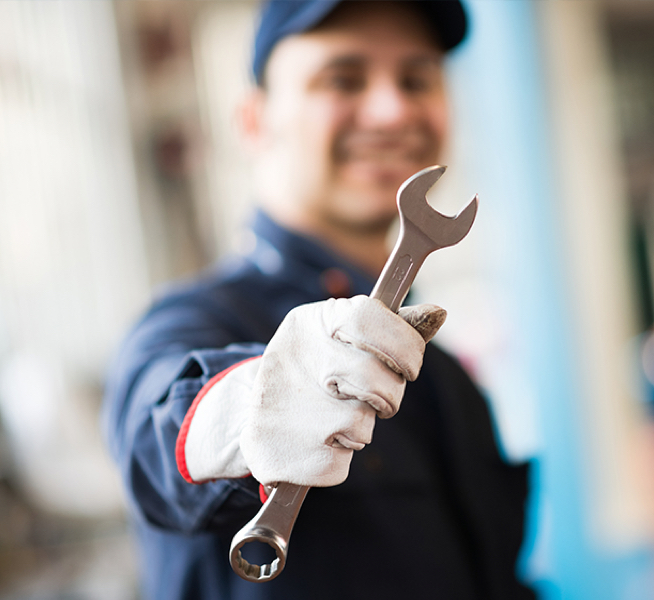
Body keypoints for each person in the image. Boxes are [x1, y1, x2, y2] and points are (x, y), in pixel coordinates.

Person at [102, 1, 533, 598]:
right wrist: (245, 410)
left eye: (416, 78)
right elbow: (156, 428)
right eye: (342, 78)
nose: (392, 109)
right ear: (254, 122)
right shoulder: (190, 321)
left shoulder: (450, 381)